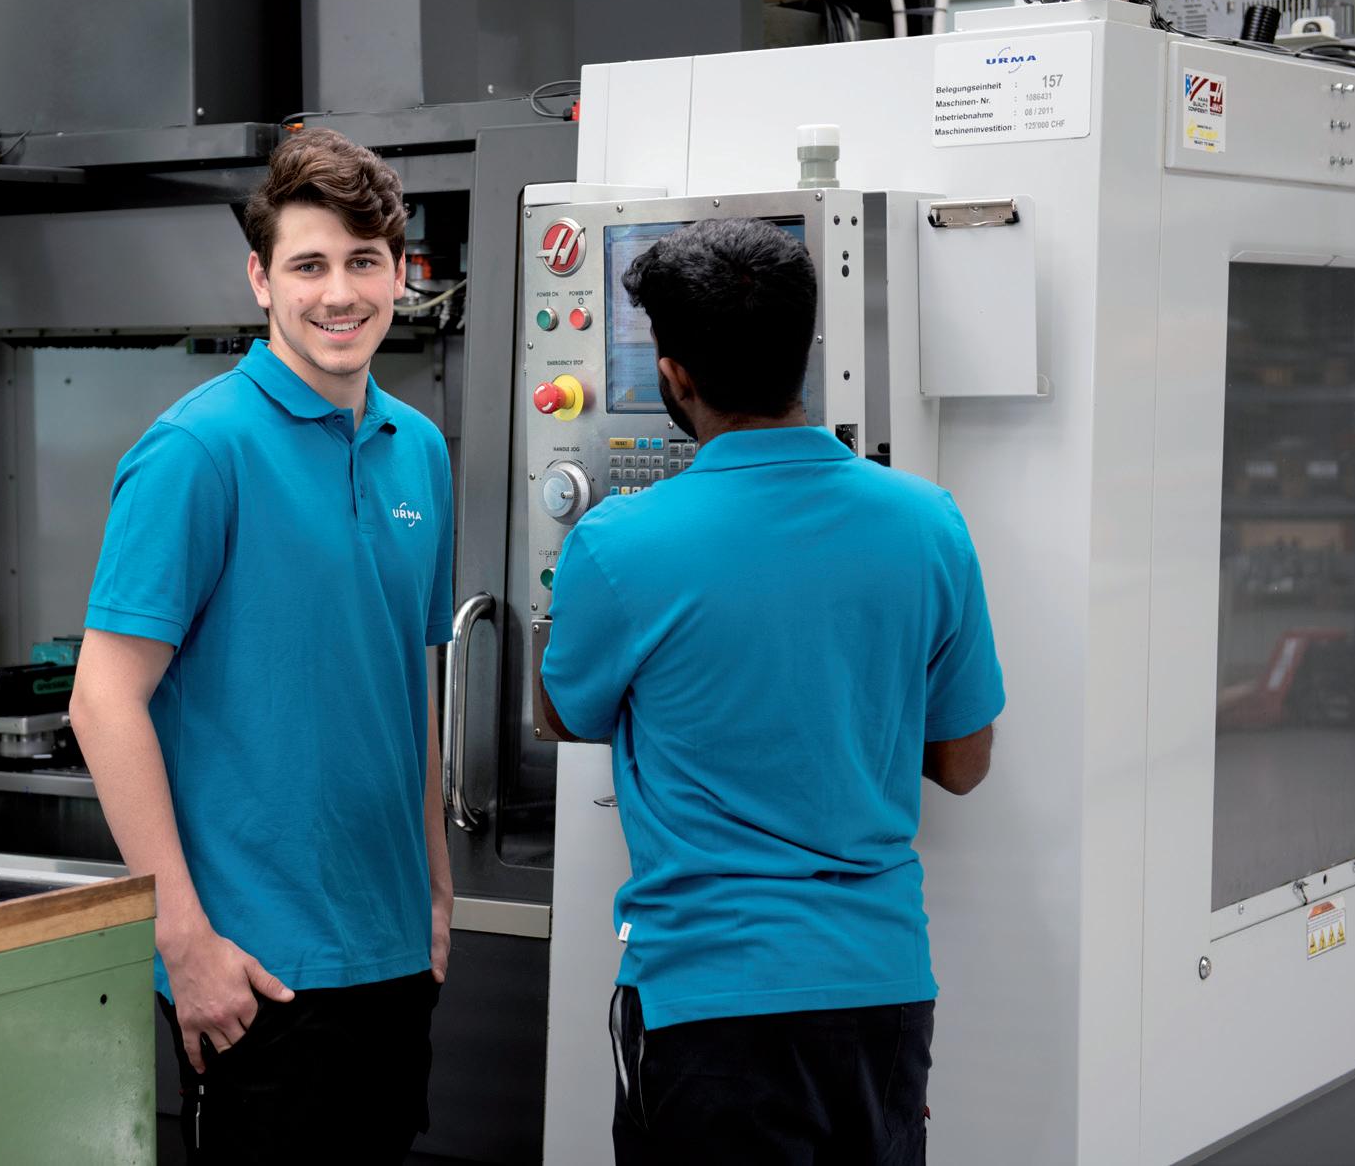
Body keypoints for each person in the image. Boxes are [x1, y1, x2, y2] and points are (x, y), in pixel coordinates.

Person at [536, 216, 1003, 1165]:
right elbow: (963, 762)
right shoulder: (928, 523)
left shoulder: (620, 544)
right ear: (805, 351)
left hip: (707, 1001)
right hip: (881, 993)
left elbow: (566, 713)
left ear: (674, 375)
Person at [68, 128, 454, 1163]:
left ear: (400, 272)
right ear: (261, 280)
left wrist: (434, 885)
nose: (340, 293)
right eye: (308, 265)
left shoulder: (418, 448)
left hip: (392, 955)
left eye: (364, 261)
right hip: (256, 968)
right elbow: (102, 700)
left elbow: (407, 680)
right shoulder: (198, 450)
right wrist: (182, 939)